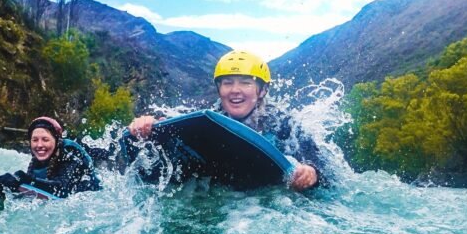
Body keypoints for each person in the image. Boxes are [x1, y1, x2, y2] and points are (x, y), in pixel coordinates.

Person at [127, 50, 329, 191]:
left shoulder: (284, 125)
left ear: (262, 91)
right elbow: (174, 132)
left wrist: (311, 173)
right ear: (219, 89)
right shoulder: (208, 120)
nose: (235, 90)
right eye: (227, 83)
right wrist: (149, 127)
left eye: (245, 83)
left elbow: (324, 168)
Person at [0, 116, 101, 197]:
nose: (39, 145)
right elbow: (30, 183)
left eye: (45, 140)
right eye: (35, 140)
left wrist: (24, 179)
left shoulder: (70, 153)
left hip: (90, 196)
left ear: (57, 141)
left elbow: (62, 189)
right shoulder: (38, 157)